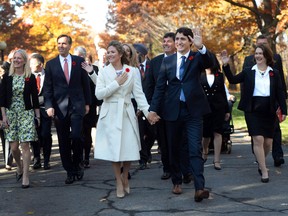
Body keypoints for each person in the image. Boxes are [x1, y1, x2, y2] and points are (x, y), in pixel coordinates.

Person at [148, 27, 212, 202]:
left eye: (183, 39)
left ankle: (199, 188)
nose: (178, 42)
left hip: (193, 111)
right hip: (172, 111)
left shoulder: (196, 57)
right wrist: (152, 109)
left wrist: (201, 47)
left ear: (190, 41)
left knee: (194, 149)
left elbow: (211, 63)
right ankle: (176, 181)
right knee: (173, 148)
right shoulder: (167, 62)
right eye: (177, 39)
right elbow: (160, 87)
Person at [94, 40, 154, 198]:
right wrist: (115, 83)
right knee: (114, 150)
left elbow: (139, 95)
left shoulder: (132, 71)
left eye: (113, 52)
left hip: (127, 112)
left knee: (128, 148)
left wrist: (148, 113)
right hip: (110, 113)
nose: (110, 54)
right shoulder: (103, 71)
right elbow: (99, 94)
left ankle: (125, 176)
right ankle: (118, 182)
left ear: (120, 54)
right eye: (108, 52)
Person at [221, 44, 287, 183]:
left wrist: (284, 111)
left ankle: (260, 159)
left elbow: (280, 93)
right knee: (258, 139)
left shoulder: (273, 73)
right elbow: (232, 80)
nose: (257, 56)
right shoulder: (248, 71)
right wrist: (226, 66)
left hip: (269, 111)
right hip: (253, 110)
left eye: (260, 53)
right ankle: (264, 170)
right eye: (256, 53)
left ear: (266, 56)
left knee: (268, 142)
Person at [44, 34, 91, 184]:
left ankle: (77, 163)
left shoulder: (79, 61)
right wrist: (49, 106)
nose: (61, 46)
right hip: (59, 108)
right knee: (63, 141)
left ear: (70, 45)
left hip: (77, 105)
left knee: (77, 136)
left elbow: (86, 84)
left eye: (64, 43)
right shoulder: (51, 64)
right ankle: (70, 171)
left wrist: (87, 103)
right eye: (59, 43)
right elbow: (48, 88)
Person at [242, 35, 287, 167]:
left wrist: (283, 99)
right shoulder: (248, 60)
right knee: (256, 133)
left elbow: (280, 80)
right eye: (259, 44)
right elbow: (244, 81)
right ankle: (258, 155)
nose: (262, 46)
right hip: (254, 103)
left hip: (273, 100)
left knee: (275, 130)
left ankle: (277, 155)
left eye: (264, 44)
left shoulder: (276, 58)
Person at [0, 49, 40, 188]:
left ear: (24, 61)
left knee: (25, 145)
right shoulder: (7, 77)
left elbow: (34, 97)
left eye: (19, 58)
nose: (16, 60)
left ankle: (26, 176)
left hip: (26, 113)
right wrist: (3, 116)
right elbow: (2, 99)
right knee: (14, 147)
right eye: (14, 58)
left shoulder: (30, 77)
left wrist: (37, 116)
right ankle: (19, 166)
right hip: (11, 114)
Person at [145, 32, 176, 180]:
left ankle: (182, 167)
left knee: (177, 139)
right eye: (164, 41)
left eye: (169, 41)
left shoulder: (181, 60)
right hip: (161, 108)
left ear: (175, 43)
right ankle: (167, 168)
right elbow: (149, 86)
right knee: (163, 140)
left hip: (178, 107)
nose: (165, 44)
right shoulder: (155, 62)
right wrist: (151, 108)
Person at [200, 53, 230, 170]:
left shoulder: (219, 75)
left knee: (218, 133)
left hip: (218, 108)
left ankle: (217, 160)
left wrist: (227, 110)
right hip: (204, 108)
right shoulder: (200, 75)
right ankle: (205, 151)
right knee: (206, 135)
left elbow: (223, 93)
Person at [73, 46, 102, 168]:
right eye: (76, 55)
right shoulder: (72, 68)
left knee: (87, 131)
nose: (78, 58)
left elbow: (98, 85)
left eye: (80, 55)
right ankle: (77, 157)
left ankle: (86, 158)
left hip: (90, 104)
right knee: (77, 133)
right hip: (76, 105)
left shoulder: (94, 68)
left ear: (84, 57)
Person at [133, 43, 156, 170]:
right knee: (139, 133)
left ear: (142, 55)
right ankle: (143, 159)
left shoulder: (152, 65)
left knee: (152, 133)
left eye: (137, 54)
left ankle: (146, 151)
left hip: (150, 105)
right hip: (136, 106)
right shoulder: (131, 68)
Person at [29, 53, 53, 170]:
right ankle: (37, 158)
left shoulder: (49, 75)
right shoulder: (27, 76)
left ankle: (47, 160)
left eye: (33, 63)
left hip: (46, 109)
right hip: (32, 110)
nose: (30, 65)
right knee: (35, 135)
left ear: (40, 65)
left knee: (45, 134)